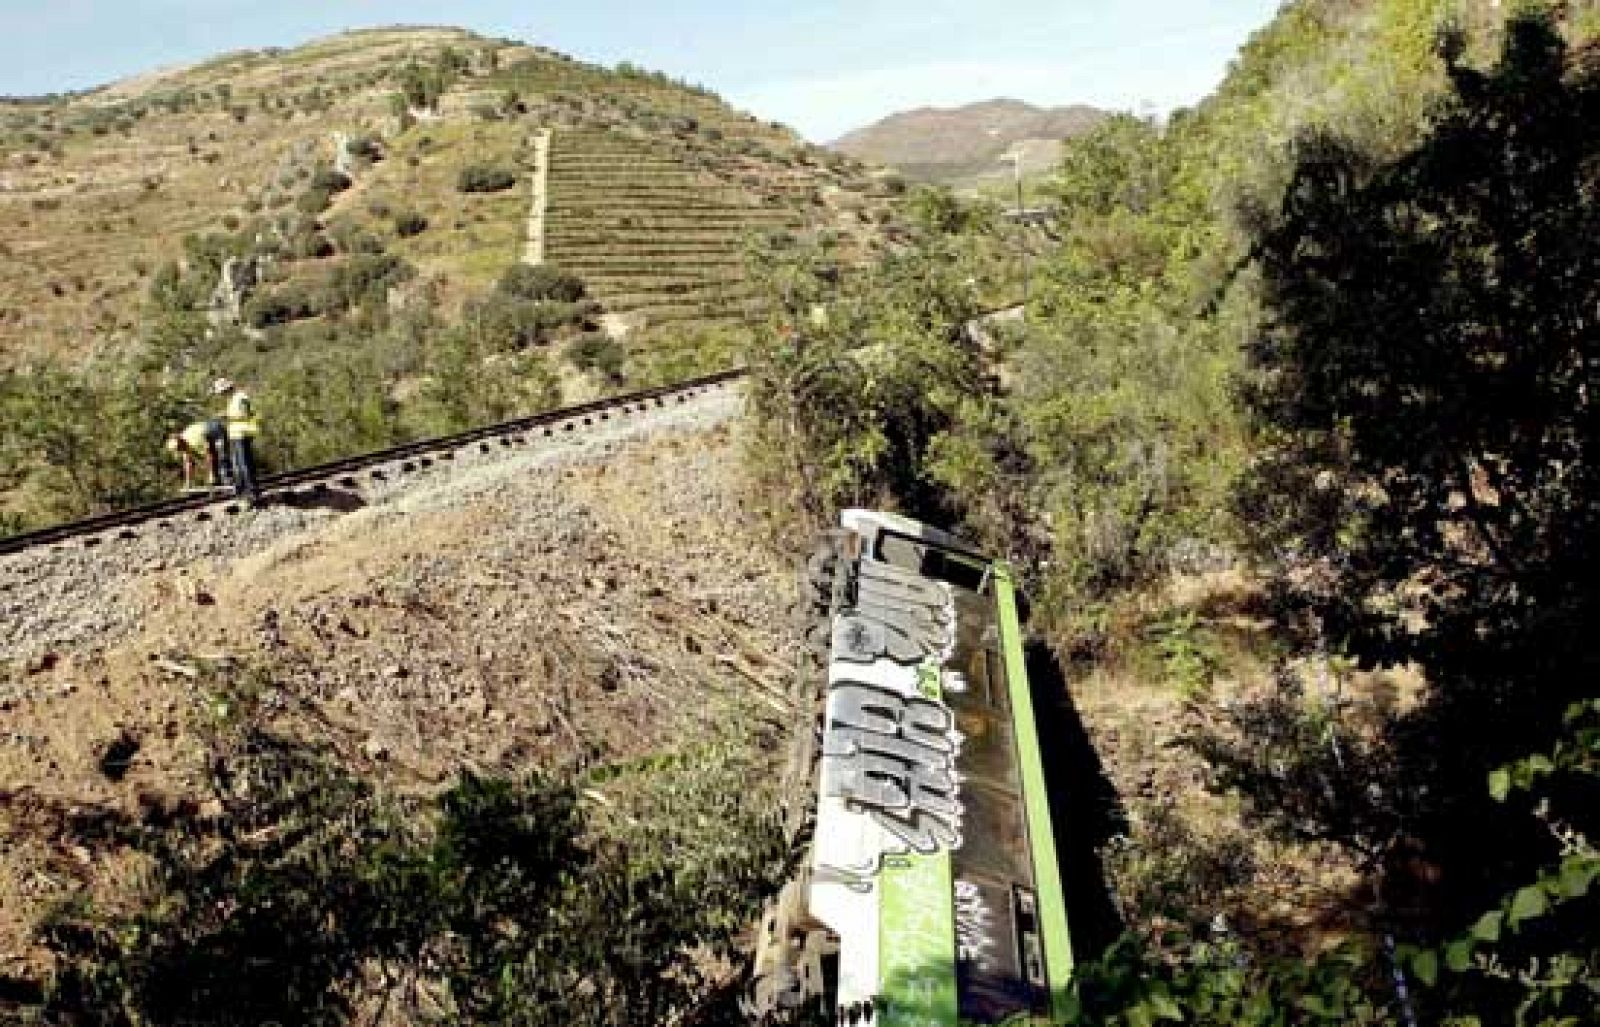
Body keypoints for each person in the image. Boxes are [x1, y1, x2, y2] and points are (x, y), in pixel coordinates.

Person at [213, 377, 261, 506]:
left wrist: (227, 416)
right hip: (235, 435)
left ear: (227, 389)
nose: (222, 395)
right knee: (239, 465)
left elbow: (246, 414)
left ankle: (253, 493)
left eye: (222, 392)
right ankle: (243, 492)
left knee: (245, 465)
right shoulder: (233, 399)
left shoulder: (241, 397)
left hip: (243, 433)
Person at [164, 418, 232, 490]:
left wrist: (210, 474)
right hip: (206, 435)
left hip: (216, 430)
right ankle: (217, 480)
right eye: (178, 450)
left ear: (180, 442)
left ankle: (227, 478)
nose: (180, 450)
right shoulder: (183, 446)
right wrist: (188, 483)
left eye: (179, 448)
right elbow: (188, 464)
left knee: (222, 455)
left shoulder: (194, 440)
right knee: (214, 457)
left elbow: (209, 455)